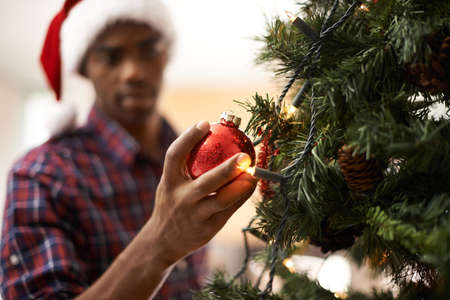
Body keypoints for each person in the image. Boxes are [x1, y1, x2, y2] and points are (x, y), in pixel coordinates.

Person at [0, 0, 257, 299]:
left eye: (148, 50)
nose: (133, 72)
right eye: (111, 57)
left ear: (165, 56)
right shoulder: (41, 175)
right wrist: (161, 244)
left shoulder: (195, 158)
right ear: (84, 69)